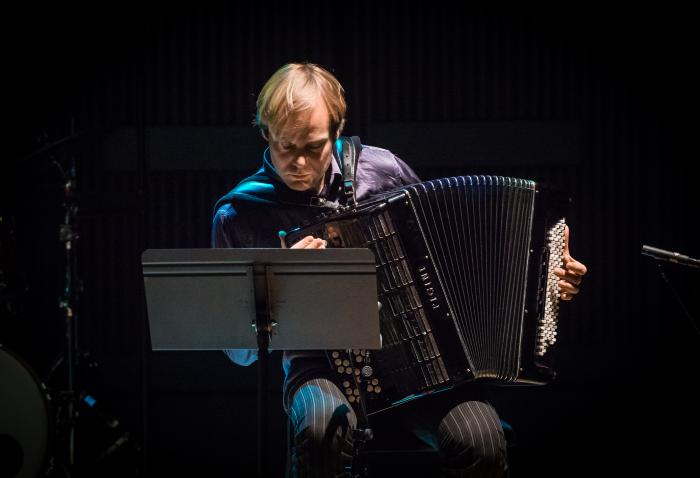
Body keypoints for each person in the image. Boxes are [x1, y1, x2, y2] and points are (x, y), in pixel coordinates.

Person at [211, 62, 587, 477]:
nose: (298, 162)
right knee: (321, 431)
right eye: (285, 146)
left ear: (337, 131)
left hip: (419, 357)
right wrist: (284, 282)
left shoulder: (381, 170)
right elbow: (238, 351)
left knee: (482, 439)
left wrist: (544, 280)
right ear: (265, 132)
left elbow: (440, 253)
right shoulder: (241, 212)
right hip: (319, 365)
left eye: (313, 146)